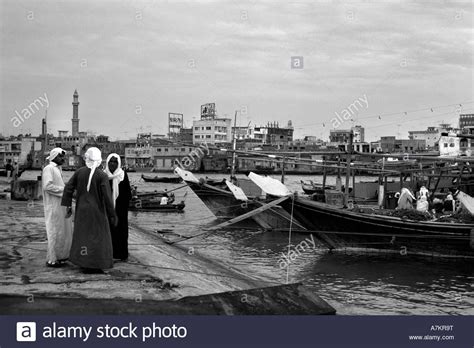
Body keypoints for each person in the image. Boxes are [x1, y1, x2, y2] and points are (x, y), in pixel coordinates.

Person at [61, 147, 117, 273]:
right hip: (97, 211)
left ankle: (83, 262)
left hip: (81, 210)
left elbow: (68, 188)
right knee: (98, 238)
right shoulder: (102, 176)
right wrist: (113, 214)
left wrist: (68, 205)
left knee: (83, 236)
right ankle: (96, 264)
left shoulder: (79, 172)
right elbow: (107, 198)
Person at [42, 148, 73, 267]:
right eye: (60, 156)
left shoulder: (56, 169)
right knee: (54, 231)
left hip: (59, 205)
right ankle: (52, 259)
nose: (63, 159)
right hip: (53, 206)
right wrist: (64, 190)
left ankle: (61, 256)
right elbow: (47, 186)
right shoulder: (49, 169)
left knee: (61, 231)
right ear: (54, 156)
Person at [104, 153, 132, 261]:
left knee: (121, 230)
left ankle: (121, 253)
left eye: (115, 162)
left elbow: (127, 193)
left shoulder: (123, 175)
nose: (112, 164)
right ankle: (109, 252)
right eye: (111, 161)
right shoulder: (103, 175)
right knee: (109, 229)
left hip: (121, 208)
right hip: (107, 207)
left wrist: (121, 206)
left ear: (119, 163)